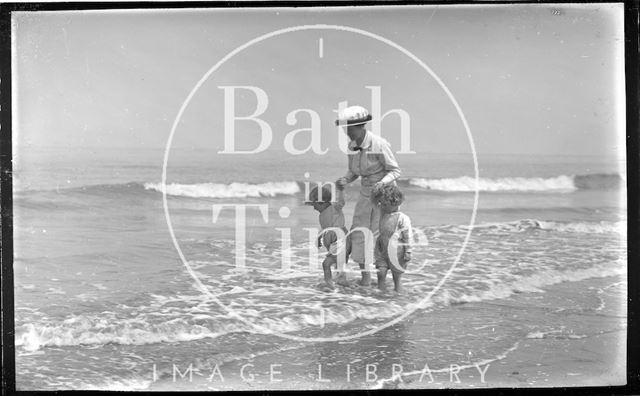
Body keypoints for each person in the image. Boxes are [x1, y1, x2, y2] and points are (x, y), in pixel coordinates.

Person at [335, 105, 401, 286]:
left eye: (348, 127)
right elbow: (354, 171)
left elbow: (395, 170)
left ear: (360, 126)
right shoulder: (351, 146)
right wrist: (345, 180)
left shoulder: (379, 143)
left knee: (381, 236)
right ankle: (365, 278)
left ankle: (386, 280)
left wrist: (382, 183)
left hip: (384, 197)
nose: (346, 131)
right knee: (359, 234)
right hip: (365, 194)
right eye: (344, 128)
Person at [306, 183, 350, 289]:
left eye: (314, 204)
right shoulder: (322, 215)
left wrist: (341, 190)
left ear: (321, 202)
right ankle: (341, 282)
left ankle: (329, 285)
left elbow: (341, 202)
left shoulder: (334, 207)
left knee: (326, 264)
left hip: (340, 240)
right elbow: (325, 228)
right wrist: (319, 237)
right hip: (335, 242)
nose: (314, 208)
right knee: (339, 266)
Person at [371, 183, 412, 293]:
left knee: (396, 278)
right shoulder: (382, 211)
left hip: (397, 251)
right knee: (380, 273)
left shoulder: (403, 218)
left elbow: (407, 236)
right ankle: (380, 295)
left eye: (385, 204)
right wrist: (377, 189)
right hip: (381, 248)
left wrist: (408, 251)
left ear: (395, 203)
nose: (381, 205)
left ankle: (398, 297)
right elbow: (374, 202)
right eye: (381, 203)